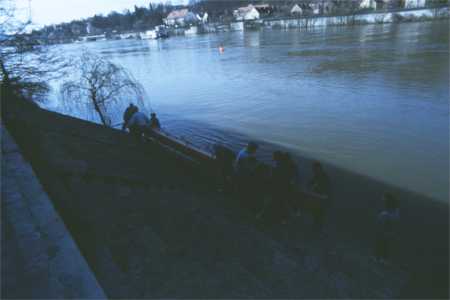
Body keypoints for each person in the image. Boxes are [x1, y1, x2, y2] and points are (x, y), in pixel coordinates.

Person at [374, 193, 400, 263]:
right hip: (387, 229)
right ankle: (381, 258)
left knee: (383, 244)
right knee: (383, 244)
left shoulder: (389, 212)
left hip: (387, 229)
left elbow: (389, 219)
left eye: (384, 200)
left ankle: (382, 258)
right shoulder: (393, 211)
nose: (383, 201)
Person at [307, 161, 331, 231]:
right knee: (316, 217)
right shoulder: (317, 176)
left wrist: (314, 194)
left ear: (319, 168)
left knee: (319, 218)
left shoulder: (324, 178)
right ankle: (316, 230)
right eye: (313, 169)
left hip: (322, 202)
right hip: (317, 201)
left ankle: (317, 231)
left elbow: (326, 195)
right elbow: (310, 184)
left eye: (315, 169)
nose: (314, 171)